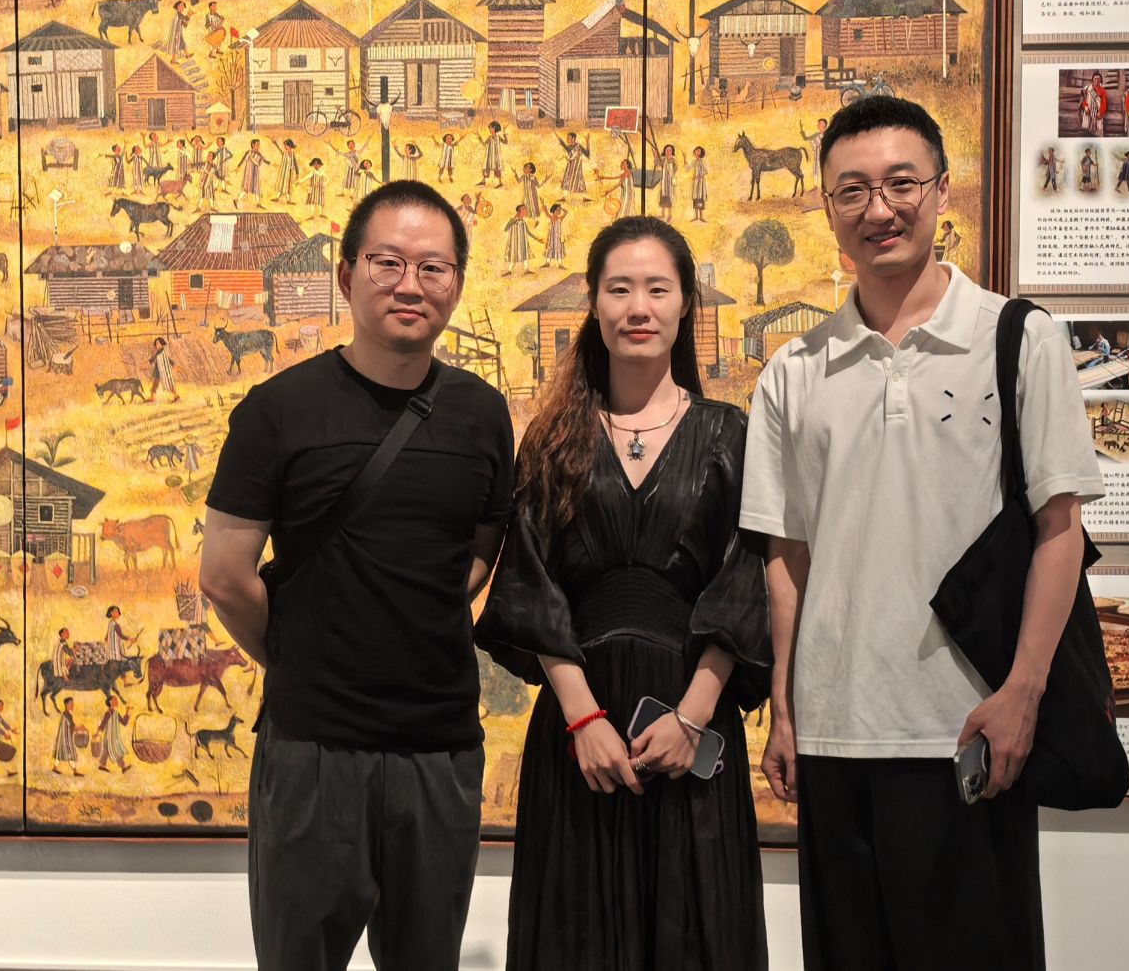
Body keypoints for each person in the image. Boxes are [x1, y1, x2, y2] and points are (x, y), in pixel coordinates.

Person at [743, 96, 1105, 970]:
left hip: (967, 727)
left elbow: (1059, 529)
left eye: (901, 183)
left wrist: (1022, 693)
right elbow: (787, 557)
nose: (879, 208)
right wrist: (785, 709)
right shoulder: (794, 368)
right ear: (827, 206)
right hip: (834, 737)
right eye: (852, 190)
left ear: (942, 191)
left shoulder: (1018, 337)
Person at [199, 180, 515, 971]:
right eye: (388, 262)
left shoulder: (482, 413)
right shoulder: (277, 410)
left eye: (433, 267)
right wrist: (299, 657)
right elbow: (225, 576)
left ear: (456, 284)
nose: (411, 284)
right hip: (313, 749)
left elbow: (477, 554)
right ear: (346, 275)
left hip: (439, 750)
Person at [476, 216, 770, 970]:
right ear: (594, 302)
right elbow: (531, 588)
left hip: (692, 722)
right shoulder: (552, 439)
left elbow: (744, 586)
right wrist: (584, 721)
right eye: (619, 289)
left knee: (696, 931)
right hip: (580, 731)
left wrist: (691, 720)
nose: (639, 307)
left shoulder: (730, 435)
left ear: (685, 304)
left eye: (658, 289)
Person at [95, 693, 131, 772]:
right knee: (116, 750)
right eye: (115, 699)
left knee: (107, 751)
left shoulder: (116, 713)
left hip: (114, 736)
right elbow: (103, 724)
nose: (117, 701)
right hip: (109, 737)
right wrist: (98, 733)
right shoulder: (108, 713)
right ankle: (123, 767)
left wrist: (127, 712)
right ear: (110, 702)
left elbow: (124, 723)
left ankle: (102, 765)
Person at [53, 697, 82, 775]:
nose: (72, 705)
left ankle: (55, 768)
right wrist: (80, 728)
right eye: (71, 704)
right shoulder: (67, 714)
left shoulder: (66, 714)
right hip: (65, 738)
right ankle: (75, 771)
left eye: (73, 704)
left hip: (63, 737)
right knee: (69, 752)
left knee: (60, 752)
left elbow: (71, 726)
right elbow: (72, 726)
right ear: (66, 704)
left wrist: (77, 728)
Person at [150, 336, 178, 403]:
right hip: (158, 371)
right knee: (155, 386)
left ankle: (153, 400)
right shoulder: (159, 352)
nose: (157, 345)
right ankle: (153, 399)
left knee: (156, 387)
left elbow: (167, 359)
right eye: (156, 343)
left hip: (160, 371)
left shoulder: (161, 352)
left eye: (158, 343)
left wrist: (174, 365)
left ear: (162, 344)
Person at [690, 145, 710, 222]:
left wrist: (699, 176)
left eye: (699, 151)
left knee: (700, 198)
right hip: (696, 183)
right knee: (695, 198)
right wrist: (684, 159)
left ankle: (701, 217)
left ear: (701, 153)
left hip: (701, 183)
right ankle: (696, 216)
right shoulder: (694, 162)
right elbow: (688, 168)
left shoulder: (702, 161)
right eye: (696, 150)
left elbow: (706, 171)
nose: (697, 152)